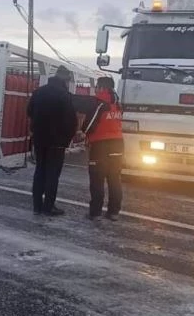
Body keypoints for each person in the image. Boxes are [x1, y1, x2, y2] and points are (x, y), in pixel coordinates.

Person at [27, 65, 79, 216]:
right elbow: (72, 121)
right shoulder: (64, 95)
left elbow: (29, 111)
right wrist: (66, 139)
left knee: (40, 170)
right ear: (65, 79)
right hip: (57, 142)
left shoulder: (38, 92)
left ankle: (37, 206)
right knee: (52, 174)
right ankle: (48, 206)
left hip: (39, 139)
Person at [80, 76, 125, 221]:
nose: (96, 89)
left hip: (100, 146)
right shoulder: (117, 103)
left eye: (97, 86)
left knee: (97, 178)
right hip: (118, 143)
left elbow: (88, 126)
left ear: (102, 88)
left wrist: (83, 132)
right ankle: (114, 212)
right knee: (114, 178)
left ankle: (95, 212)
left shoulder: (99, 103)